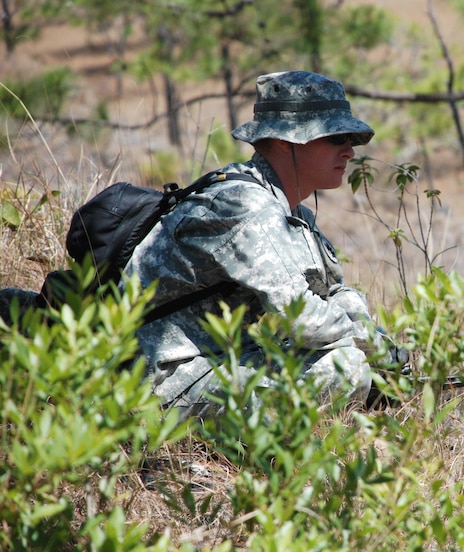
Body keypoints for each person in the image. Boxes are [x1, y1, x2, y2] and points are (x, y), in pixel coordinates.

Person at [121, 70, 379, 419]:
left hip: (210, 361)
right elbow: (303, 320)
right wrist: (369, 344)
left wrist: (371, 340)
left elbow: (334, 291)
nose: (349, 152)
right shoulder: (246, 206)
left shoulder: (289, 211)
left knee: (349, 363)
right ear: (288, 141)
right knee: (345, 369)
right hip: (157, 379)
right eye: (336, 138)